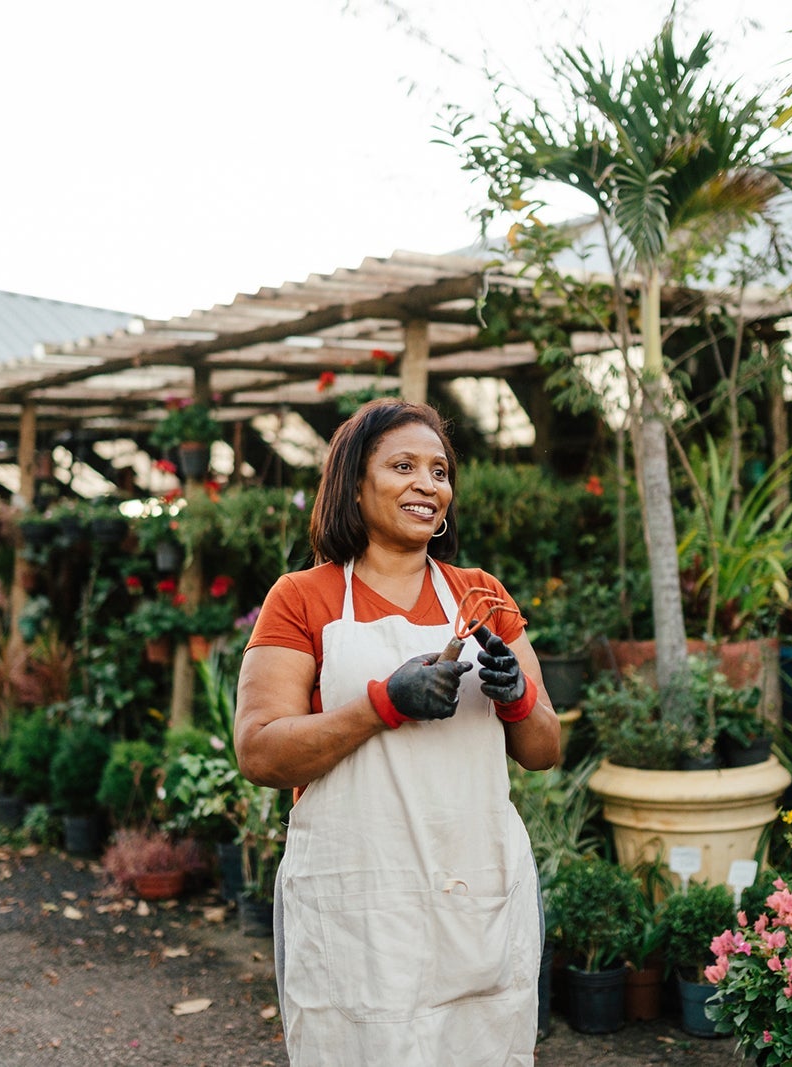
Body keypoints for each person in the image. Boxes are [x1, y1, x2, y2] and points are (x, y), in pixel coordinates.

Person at [235, 398, 560, 1065]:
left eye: (439, 471)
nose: (428, 483)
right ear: (355, 484)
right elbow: (260, 749)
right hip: (360, 898)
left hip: (472, 886)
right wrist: (385, 702)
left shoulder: (482, 597)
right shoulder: (303, 597)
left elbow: (544, 750)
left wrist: (516, 696)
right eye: (403, 465)